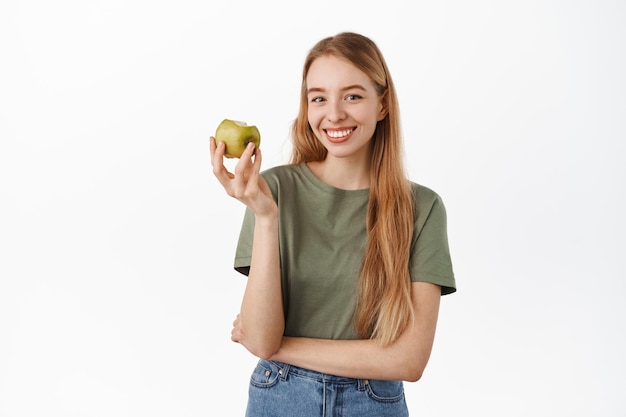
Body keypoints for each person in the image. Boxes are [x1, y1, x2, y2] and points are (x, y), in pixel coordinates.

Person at [210, 31, 456, 417]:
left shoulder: (421, 208)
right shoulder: (271, 190)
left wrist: (281, 347)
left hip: (374, 404)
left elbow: (410, 360)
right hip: (279, 398)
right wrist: (266, 217)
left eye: (353, 96)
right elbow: (259, 336)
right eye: (319, 97)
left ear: (382, 105)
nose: (334, 113)